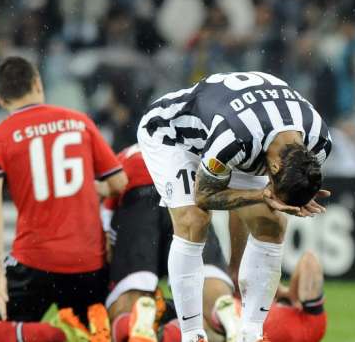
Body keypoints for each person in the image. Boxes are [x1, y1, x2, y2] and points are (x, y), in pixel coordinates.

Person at [137, 71, 332, 342]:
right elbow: (205, 196)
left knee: (272, 222)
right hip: (174, 136)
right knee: (194, 220)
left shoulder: (319, 142)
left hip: (245, 136)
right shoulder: (235, 139)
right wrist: (260, 196)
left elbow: (285, 184)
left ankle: (250, 334)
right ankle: (192, 335)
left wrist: (297, 195)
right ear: (274, 168)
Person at [0, 56, 129, 342]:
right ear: (37, 83)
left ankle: (43, 337)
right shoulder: (78, 122)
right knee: (103, 333)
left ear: (0, 99)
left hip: (34, 263)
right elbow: (119, 183)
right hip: (88, 264)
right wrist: (89, 188)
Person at [101, 146, 240, 342]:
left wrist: (108, 235)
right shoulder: (185, 148)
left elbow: (110, 194)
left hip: (139, 201)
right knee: (205, 283)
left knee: (129, 298)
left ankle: (138, 315)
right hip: (185, 198)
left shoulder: (123, 157)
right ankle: (225, 311)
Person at [158, 250, 328, 342]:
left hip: (221, 313)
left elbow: (309, 261)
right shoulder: (305, 324)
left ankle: (231, 322)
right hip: (220, 320)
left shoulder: (313, 323)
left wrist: (289, 293)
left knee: (191, 236)